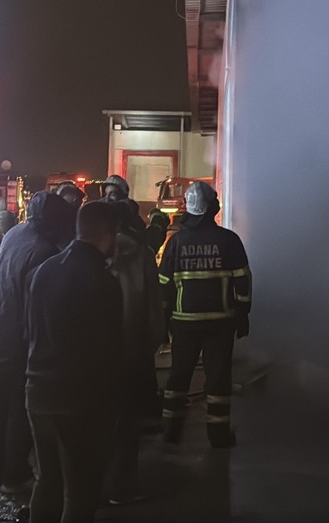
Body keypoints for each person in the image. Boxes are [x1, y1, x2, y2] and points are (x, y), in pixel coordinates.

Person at [25, 201, 123, 523]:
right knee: (81, 491)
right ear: (109, 234)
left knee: (48, 481)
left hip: (38, 394)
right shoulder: (102, 281)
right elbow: (108, 351)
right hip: (80, 402)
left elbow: (29, 331)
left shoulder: (45, 270)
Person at [0, 192, 73, 494]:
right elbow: (35, 306)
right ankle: (14, 476)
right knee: (18, 408)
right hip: (16, 341)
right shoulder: (44, 251)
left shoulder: (14, 234)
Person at [158, 182, 251, 449]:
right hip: (221, 323)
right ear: (213, 208)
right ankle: (218, 435)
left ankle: (171, 432)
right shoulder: (229, 241)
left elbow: (163, 283)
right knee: (218, 379)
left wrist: (164, 319)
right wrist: (243, 313)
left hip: (184, 323)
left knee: (178, 377)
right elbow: (243, 281)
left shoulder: (176, 243)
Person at [105, 199, 165, 505]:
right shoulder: (141, 255)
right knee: (126, 423)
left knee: (96, 420)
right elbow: (154, 309)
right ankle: (121, 486)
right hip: (131, 353)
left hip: (92, 355)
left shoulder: (89, 252)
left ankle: (91, 487)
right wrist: (148, 347)